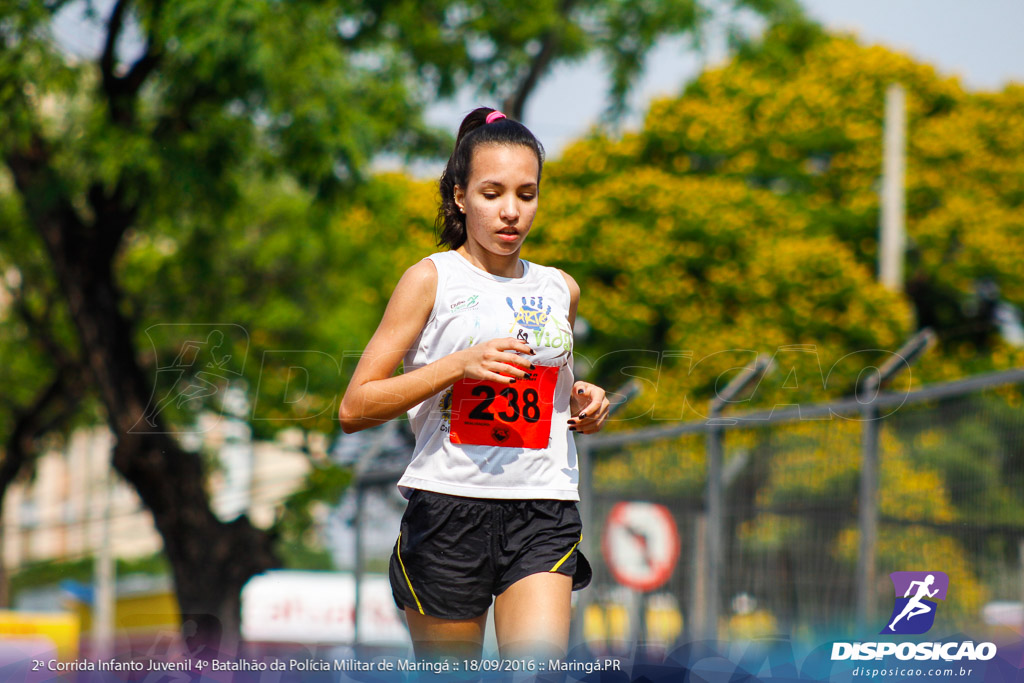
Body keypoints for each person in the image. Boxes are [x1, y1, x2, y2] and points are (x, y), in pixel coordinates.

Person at [339, 107, 610, 660]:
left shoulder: (560, 288)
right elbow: (355, 407)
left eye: (526, 194)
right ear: (461, 196)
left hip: (543, 505)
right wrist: (459, 365)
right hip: (448, 508)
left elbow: (554, 390)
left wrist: (584, 399)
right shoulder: (431, 279)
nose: (511, 211)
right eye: (492, 193)